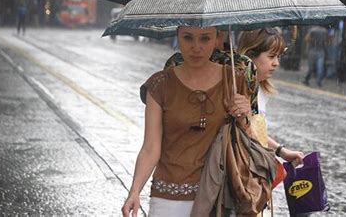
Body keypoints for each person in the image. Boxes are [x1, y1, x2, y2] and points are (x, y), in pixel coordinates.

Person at [122, 26, 252, 217]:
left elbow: (247, 140)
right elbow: (150, 147)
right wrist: (134, 191)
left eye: (205, 39)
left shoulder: (234, 80)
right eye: (188, 38)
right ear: (178, 37)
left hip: (219, 195)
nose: (196, 47)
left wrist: (244, 116)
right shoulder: (160, 84)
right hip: (168, 198)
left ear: (218, 38)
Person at [238, 28, 304, 162]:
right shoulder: (235, 88)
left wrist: (281, 151)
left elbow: (257, 133)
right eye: (271, 56)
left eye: (278, 56)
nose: (276, 63)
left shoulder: (260, 88)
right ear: (250, 56)